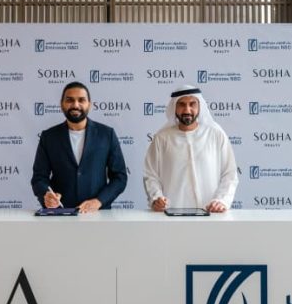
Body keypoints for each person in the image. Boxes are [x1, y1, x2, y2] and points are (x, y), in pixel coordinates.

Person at [31, 81, 127, 213]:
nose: (76, 105)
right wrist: (46, 195)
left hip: (97, 214)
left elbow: (119, 177)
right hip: (60, 214)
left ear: (89, 105)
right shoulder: (48, 137)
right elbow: (39, 178)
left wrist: (99, 201)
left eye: (81, 100)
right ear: (61, 104)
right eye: (69, 100)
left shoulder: (107, 134)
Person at [143, 85, 238, 213]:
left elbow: (230, 173)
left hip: (210, 213)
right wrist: (156, 198)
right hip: (172, 215)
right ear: (174, 107)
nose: (187, 110)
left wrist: (221, 201)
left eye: (192, 104)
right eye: (182, 104)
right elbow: (151, 175)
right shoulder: (162, 138)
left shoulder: (216, 135)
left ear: (199, 106)